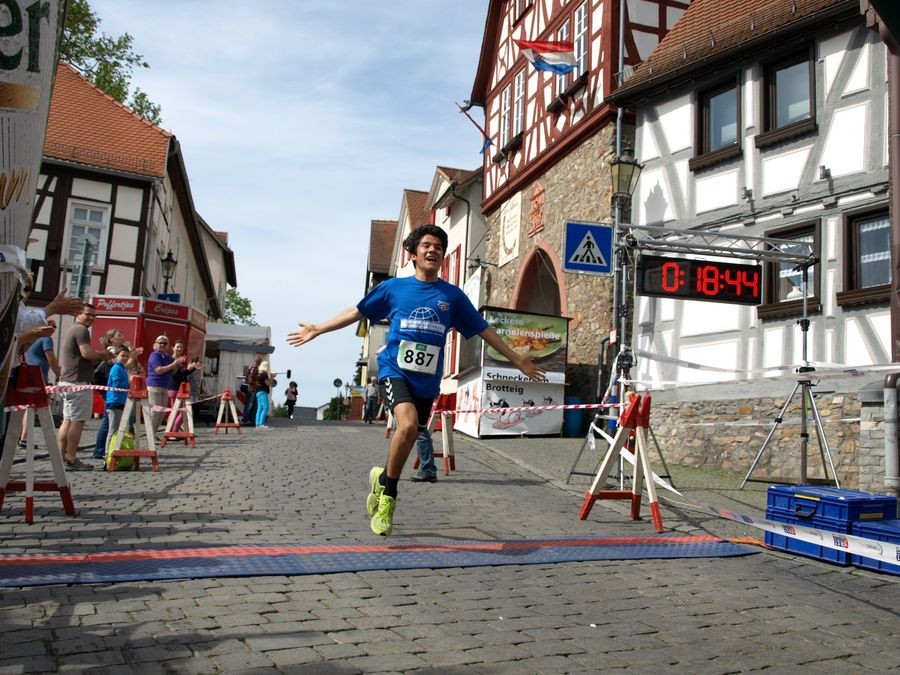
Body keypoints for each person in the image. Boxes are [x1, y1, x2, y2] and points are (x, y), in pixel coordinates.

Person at [288, 225, 546, 536]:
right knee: (408, 426)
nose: (432, 250)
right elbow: (357, 312)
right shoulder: (393, 288)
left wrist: (516, 357)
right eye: (426, 245)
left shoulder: (452, 296)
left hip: (427, 381)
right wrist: (318, 328)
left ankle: (382, 478)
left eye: (438, 246)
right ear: (413, 254)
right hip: (393, 371)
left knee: (410, 435)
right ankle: (389, 497)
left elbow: (483, 329)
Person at [57, 303, 115, 471]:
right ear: (78, 314)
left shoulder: (73, 329)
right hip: (78, 382)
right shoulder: (81, 330)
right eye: (87, 314)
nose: (91, 317)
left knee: (67, 421)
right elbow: (86, 354)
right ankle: (71, 458)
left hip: (67, 381)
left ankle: (60, 457)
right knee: (77, 421)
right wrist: (103, 355)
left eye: (93, 315)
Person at [19, 318, 61, 449]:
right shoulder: (45, 338)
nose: (53, 330)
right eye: (52, 327)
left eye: (55, 327)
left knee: (23, 407)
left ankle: (19, 436)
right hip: (38, 376)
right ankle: (25, 438)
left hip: (26, 372)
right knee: (32, 407)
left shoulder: (31, 337)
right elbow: (51, 357)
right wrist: (59, 373)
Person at [147, 335, 183, 434]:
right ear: (156, 344)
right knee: (155, 412)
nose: (162, 345)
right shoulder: (155, 355)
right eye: (160, 343)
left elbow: (173, 372)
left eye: (165, 343)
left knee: (162, 413)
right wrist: (173, 364)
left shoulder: (167, 357)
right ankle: (150, 435)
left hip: (164, 387)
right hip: (155, 386)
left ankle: (153, 434)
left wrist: (177, 364)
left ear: (167, 345)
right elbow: (158, 370)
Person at [102, 345, 131, 462]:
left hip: (120, 401)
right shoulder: (116, 368)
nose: (125, 358)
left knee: (117, 429)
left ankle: (114, 451)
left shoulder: (122, 368)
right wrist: (129, 382)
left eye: (127, 356)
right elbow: (116, 385)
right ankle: (107, 455)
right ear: (116, 356)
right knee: (113, 430)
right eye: (122, 355)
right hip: (114, 402)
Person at [167, 340, 203, 432]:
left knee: (180, 412)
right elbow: (176, 376)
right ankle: (172, 432)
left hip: (180, 389)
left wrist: (193, 369)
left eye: (181, 347)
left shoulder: (180, 361)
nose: (179, 349)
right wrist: (188, 369)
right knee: (179, 412)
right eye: (177, 347)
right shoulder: (172, 360)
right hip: (174, 388)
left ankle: (172, 431)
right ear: (173, 348)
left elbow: (183, 375)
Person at [241, 356, 262, 426]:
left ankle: (251, 420)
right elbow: (250, 378)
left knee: (254, 406)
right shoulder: (254, 367)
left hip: (253, 389)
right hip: (252, 389)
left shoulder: (252, 366)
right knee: (249, 405)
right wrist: (254, 383)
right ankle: (246, 420)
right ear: (259, 362)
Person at [255, 361, 273, 429]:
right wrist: (272, 377)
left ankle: (257, 424)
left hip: (258, 392)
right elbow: (268, 383)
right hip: (263, 392)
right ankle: (261, 424)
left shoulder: (258, 374)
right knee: (265, 407)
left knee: (259, 408)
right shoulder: (264, 374)